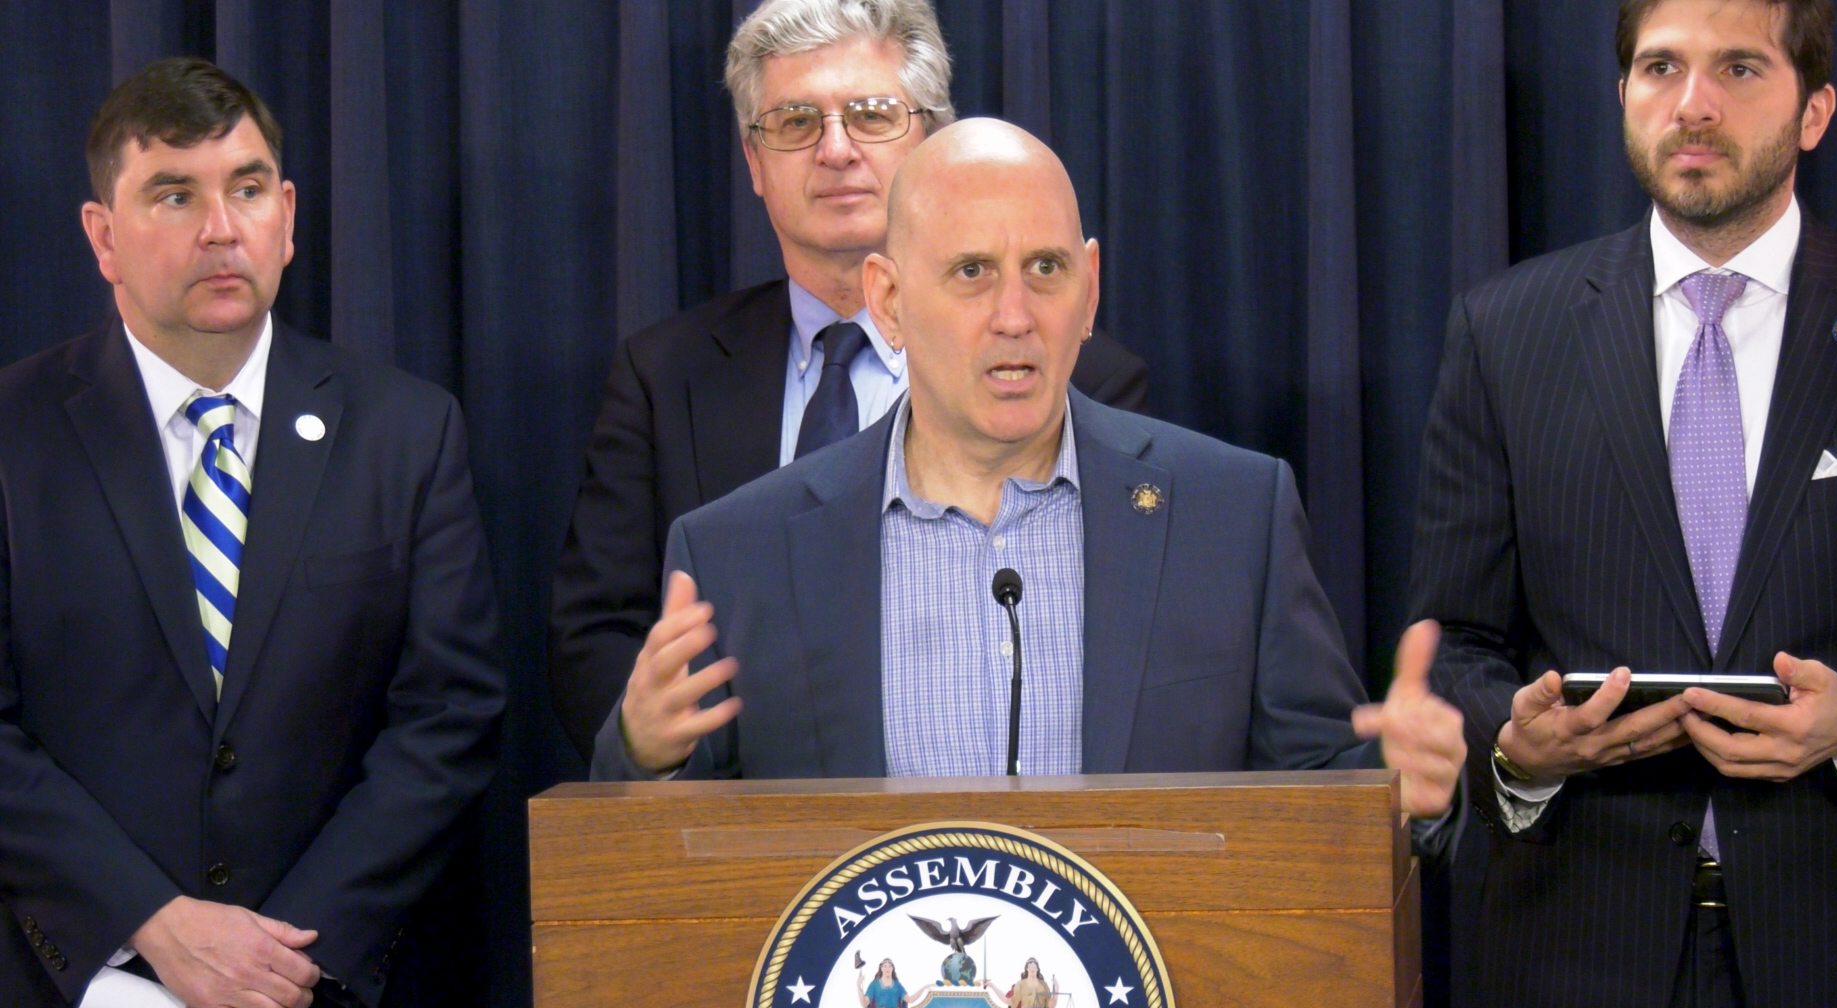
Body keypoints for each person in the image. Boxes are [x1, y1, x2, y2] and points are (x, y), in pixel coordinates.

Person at [590, 118, 1466, 842]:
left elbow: (1319, 795)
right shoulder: (740, 548)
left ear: (1088, 291)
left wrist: (1393, 783)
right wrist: (643, 752)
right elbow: (663, 861)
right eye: (972, 273)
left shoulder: (1233, 514)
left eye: (1045, 271)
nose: (1015, 317)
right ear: (889, 301)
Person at [1407, 0, 1837, 1008]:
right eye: (1660, 69)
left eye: (1738, 68)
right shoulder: (1505, 333)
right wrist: (1516, 745)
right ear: (1623, 95)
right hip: (1573, 991)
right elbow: (1453, 643)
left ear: (1814, 109)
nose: (1693, 105)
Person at [0, 59, 504, 1008]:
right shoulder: (12, 432)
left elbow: (448, 718)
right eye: (173, 194)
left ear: (287, 214)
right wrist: (156, 924)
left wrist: (271, 968)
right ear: (103, 236)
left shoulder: (407, 431)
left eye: (246, 188)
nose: (219, 228)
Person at [548, 0, 1150, 762]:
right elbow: (597, 642)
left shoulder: (1080, 373)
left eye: (870, 116)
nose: (835, 150)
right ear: (754, 162)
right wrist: (666, 759)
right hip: (749, 839)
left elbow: (1122, 649)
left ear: (931, 137)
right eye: (797, 123)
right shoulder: (664, 375)